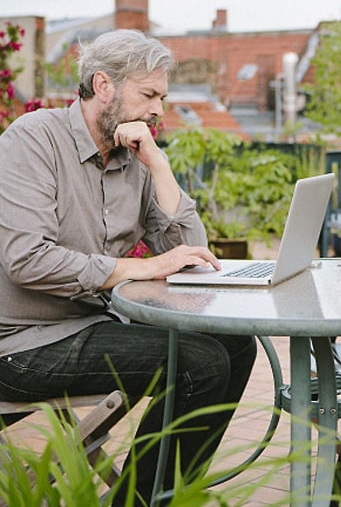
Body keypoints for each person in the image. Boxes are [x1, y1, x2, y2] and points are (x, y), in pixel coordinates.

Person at [0, 29, 257, 505]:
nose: (159, 109)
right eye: (150, 95)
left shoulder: (136, 159)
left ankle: (155, 497)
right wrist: (137, 268)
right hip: (21, 343)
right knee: (199, 363)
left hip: (91, 324)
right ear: (104, 86)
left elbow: (191, 252)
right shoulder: (32, 140)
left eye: (162, 95)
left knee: (236, 345)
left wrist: (159, 165)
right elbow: (26, 259)